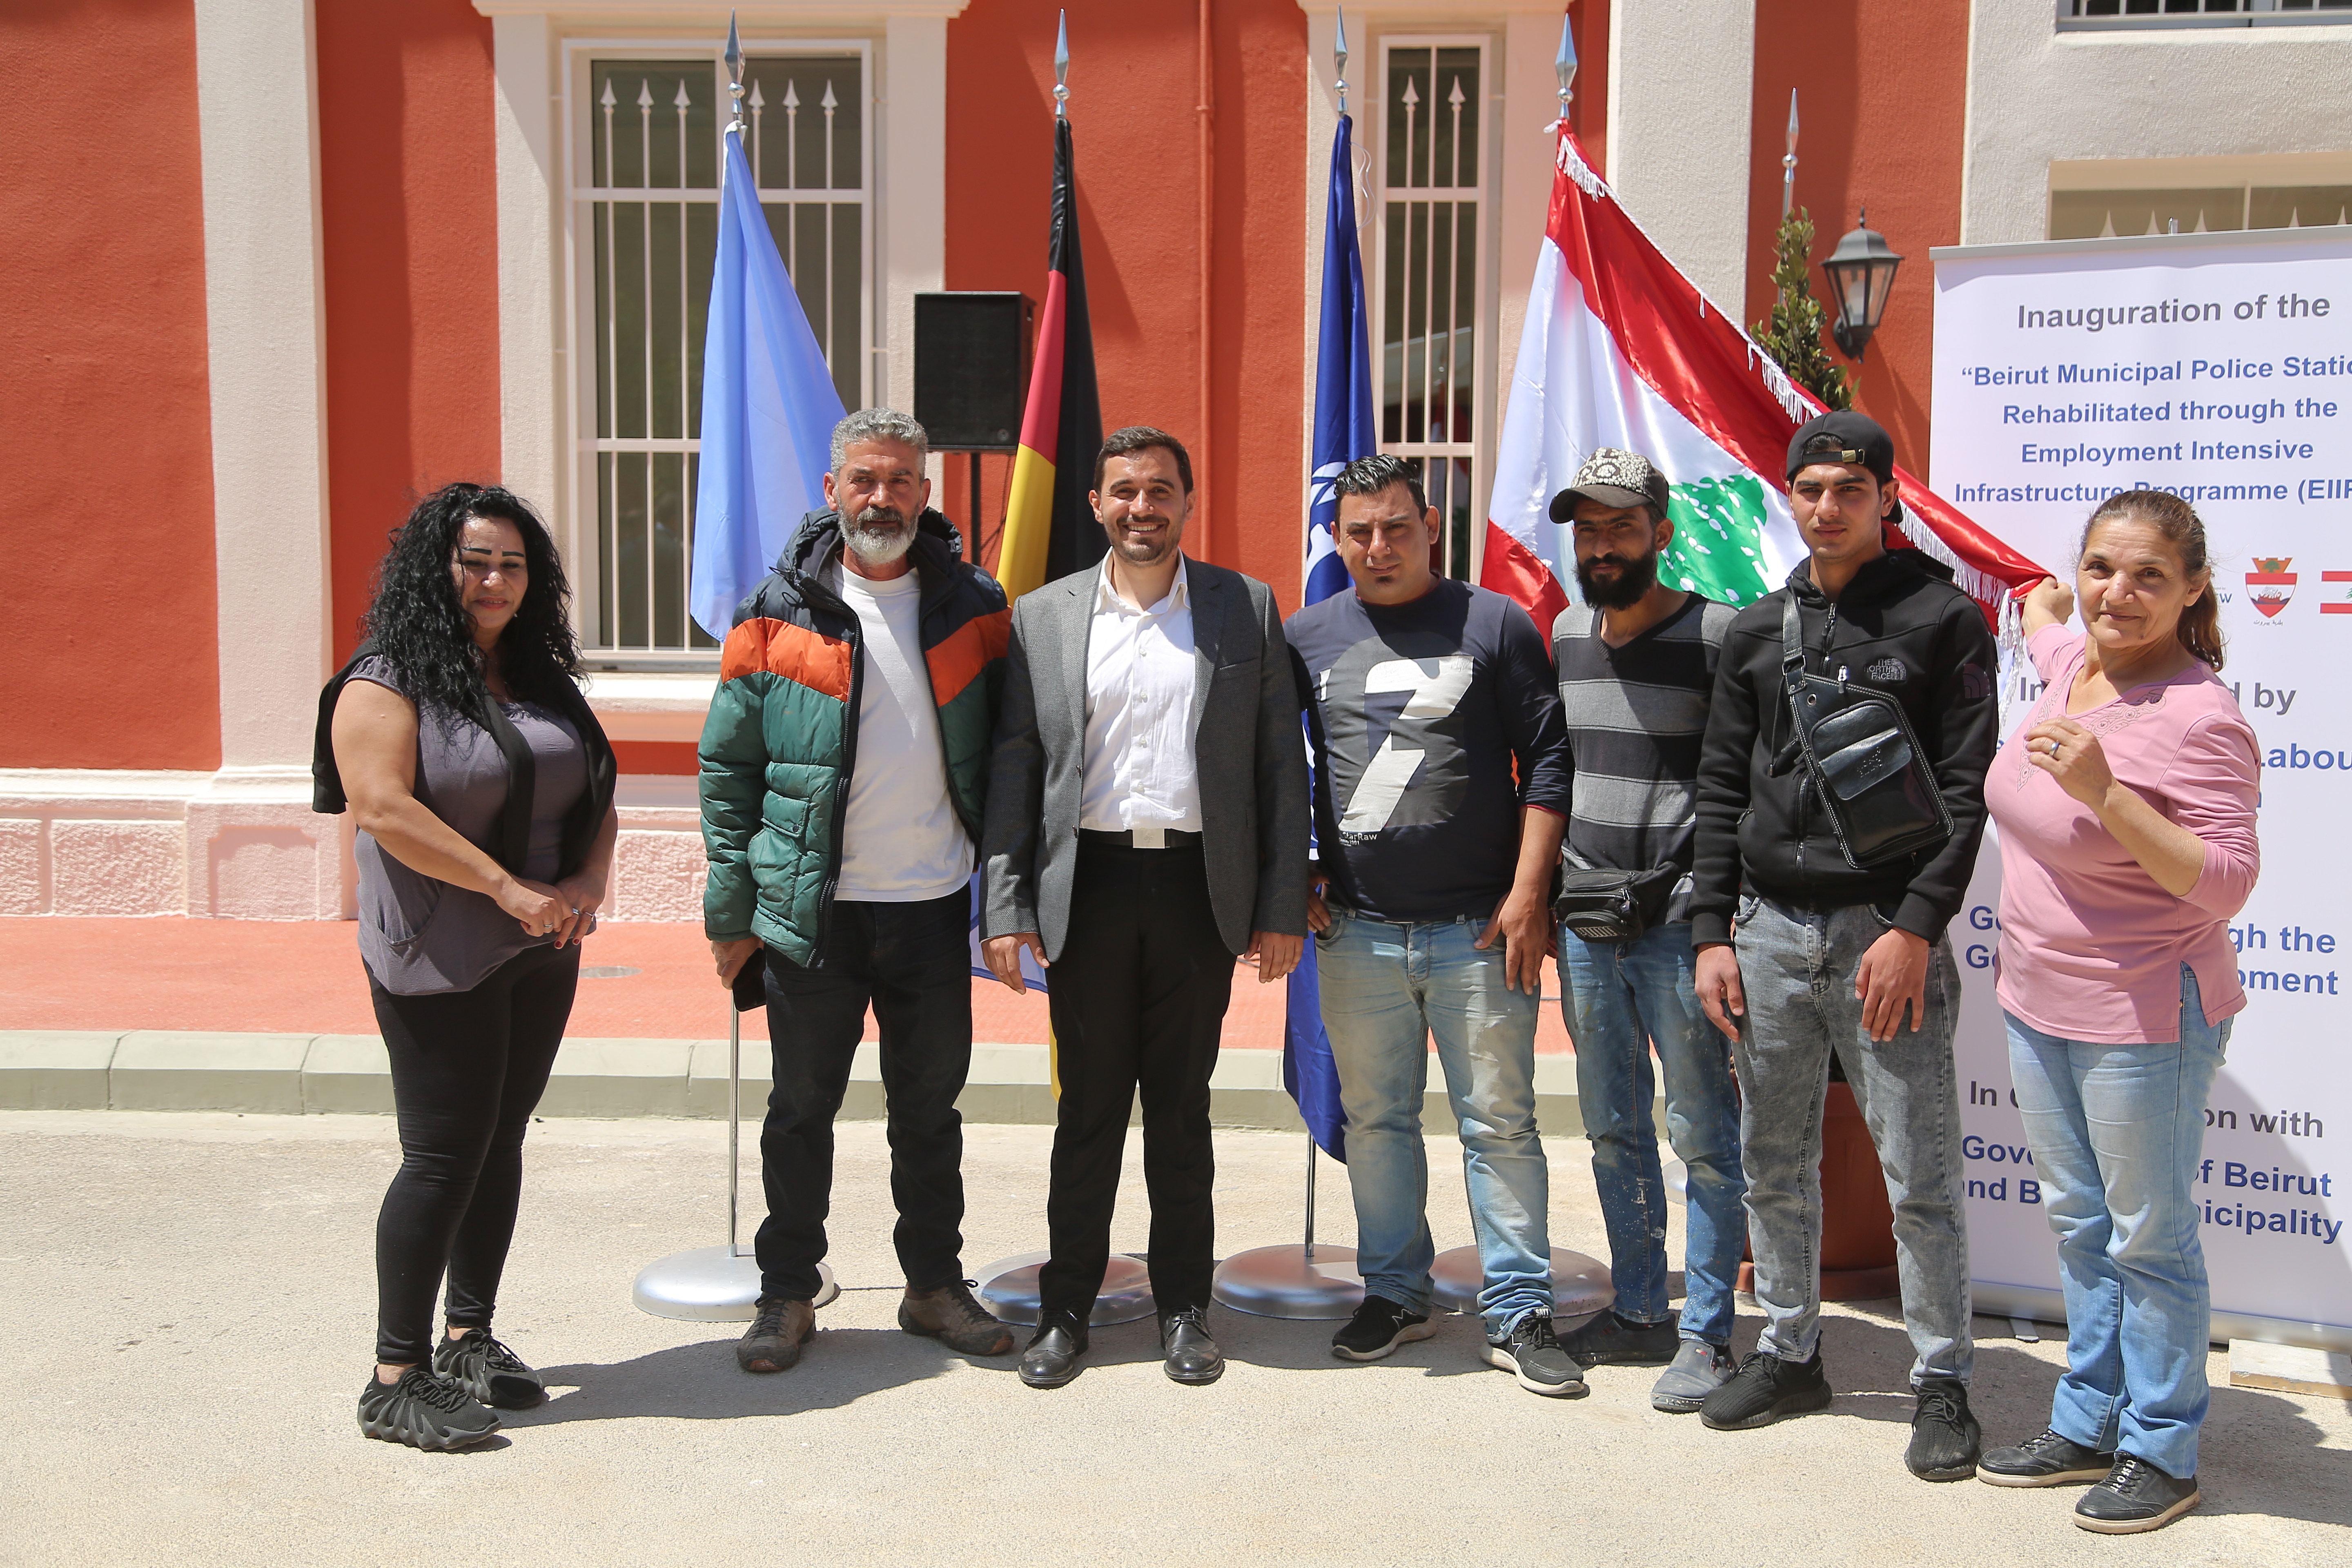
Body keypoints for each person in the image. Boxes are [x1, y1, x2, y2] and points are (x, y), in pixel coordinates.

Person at [1688, 411, 1999, 1480]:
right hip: (1767, 933)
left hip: (1885, 935)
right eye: (1810, 489)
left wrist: (1915, 929)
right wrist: (1709, 934)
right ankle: (1790, 1349)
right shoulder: (1753, 630)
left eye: (1849, 490)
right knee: (1773, 1160)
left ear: (1885, 498)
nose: (1827, 508)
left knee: (1917, 1168)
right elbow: (1720, 787)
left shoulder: (1942, 620)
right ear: (1792, 495)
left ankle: (1942, 1380)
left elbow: (1966, 796)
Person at [981, 425, 1308, 1390]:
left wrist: (1282, 902)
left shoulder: (1242, 607)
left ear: (1187, 503)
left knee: (1180, 1113)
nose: (1142, 507)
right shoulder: (1041, 618)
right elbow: (1016, 767)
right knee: (1087, 1112)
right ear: (1096, 504)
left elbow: (1277, 771)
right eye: (1124, 490)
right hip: (1087, 888)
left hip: (1198, 891)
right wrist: (1004, 904)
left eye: (1161, 490)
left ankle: (1184, 1311)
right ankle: (1067, 1310)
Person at [701, 408, 1016, 1375]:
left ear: (927, 494)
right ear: (833, 489)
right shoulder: (776, 608)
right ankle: (787, 1294)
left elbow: (1009, 755)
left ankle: (933, 1288)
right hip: (813, 915)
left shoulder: (974, 604)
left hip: (928, 909)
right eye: (864, 481)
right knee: (801, 1110)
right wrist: (731, 916)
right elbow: (729, 771)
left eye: (901, 482)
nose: (883, 498)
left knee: (931, 1114)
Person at [1976, 492, 2258, 1534]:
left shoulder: (2201, 717)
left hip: (2146, 1011)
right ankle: (2088, 1418)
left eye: (2147, 577)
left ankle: (2163, 1450)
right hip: (2036, 997)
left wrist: (2110, 795)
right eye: (2101, 569)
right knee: (2082, 1226)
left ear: (2193, 591)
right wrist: (2045, 602)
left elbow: (2226, 883)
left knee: (2149, 1236)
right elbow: (2048, 619)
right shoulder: (2070, 666)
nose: (2118, 594)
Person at [319, 483, 619, 1451]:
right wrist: (506, 888)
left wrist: (584, 879)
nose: (494, 580)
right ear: (433, 569)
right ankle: (394, 1375)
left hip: (538, 944)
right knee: (442, 1154)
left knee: (501, 1141)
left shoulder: (535, 676)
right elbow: (385, 809)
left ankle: (468, 1338)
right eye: (475, 561)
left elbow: (596, 780)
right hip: (439, 951)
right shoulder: (385, 678)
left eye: (513, 565)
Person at [1287, 454, 1581, 1397]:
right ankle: (1396, 1292)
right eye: (1361, 531)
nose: (1380, 546)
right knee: (1376, 1123)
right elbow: (1269, 768)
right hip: (1358, 933)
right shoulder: (1304, 637)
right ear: (1337, 540)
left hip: (1479, 932)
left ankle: (1519, 1309)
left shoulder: (1494, 623)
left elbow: (1547, 760)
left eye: (1398, 527)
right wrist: (1290, 869)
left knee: (1500, 1123)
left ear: (1431, 528)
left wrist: (1530, 894)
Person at [1543, 450, 1748, 1413]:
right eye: (1588, 529)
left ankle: (1708, 1334)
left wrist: (1719, 918)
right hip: (1586, 928)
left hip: (1679, 928)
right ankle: (1637, 1309)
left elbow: (1743, 785)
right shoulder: (1564, 633)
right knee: (1613, 1129)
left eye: (1623, 526)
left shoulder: (1721, 637)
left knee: (1704, 1133)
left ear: (1661, 532)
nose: (1604, 544)